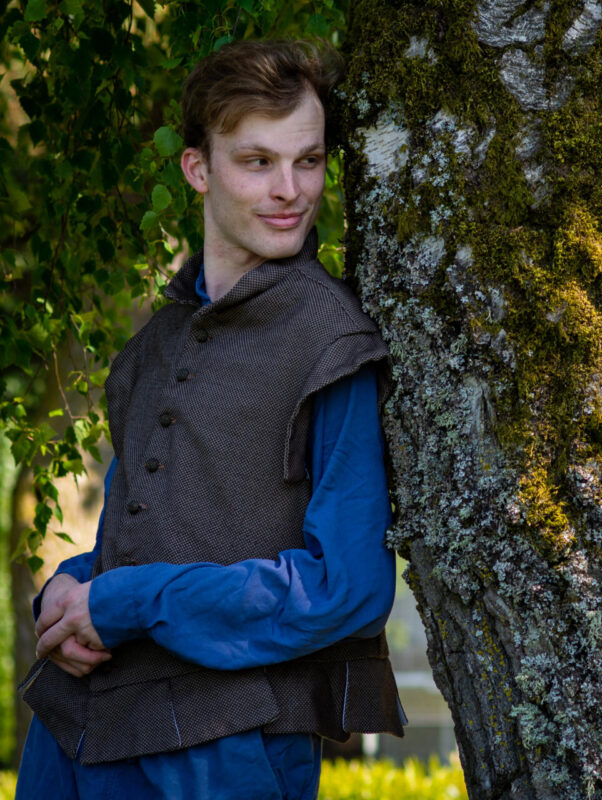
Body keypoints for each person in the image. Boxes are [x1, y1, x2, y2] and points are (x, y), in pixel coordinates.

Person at [16, 40, 406, 800]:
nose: (290, 189)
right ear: (198, 168)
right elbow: (130, 539)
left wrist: (123, 602)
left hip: (226, 746)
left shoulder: (336, 345)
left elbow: (349, 586)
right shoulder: (150, 347)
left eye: (310, 161)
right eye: (257, 162)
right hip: (73, 728)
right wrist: (68, 590)